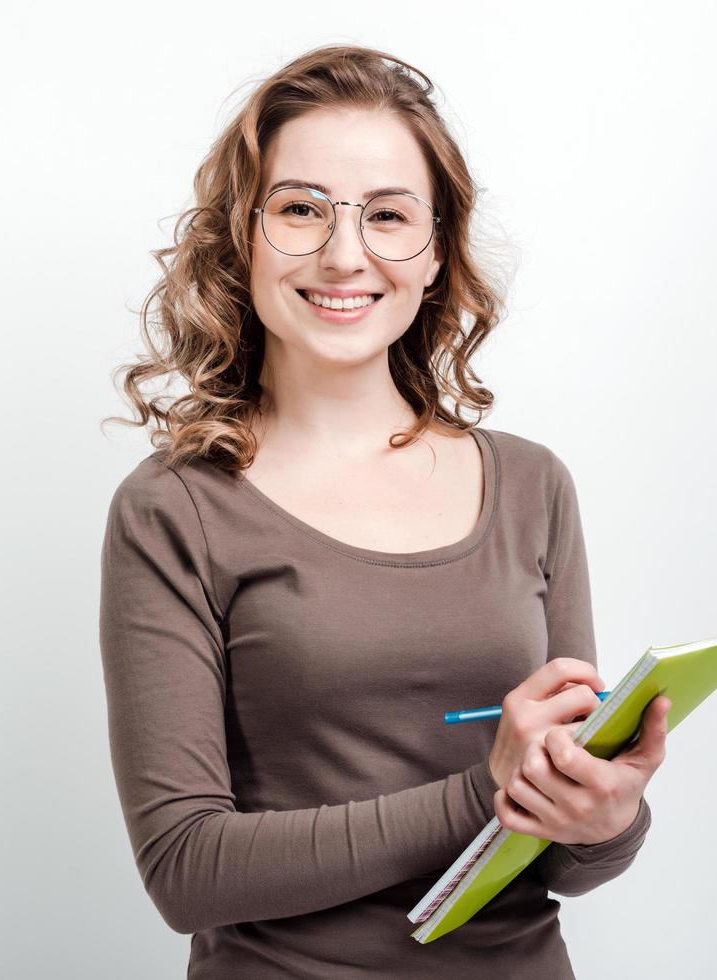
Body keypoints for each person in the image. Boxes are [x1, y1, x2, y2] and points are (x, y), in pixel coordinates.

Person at [98, 44, 671, 979]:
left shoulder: (533, 486)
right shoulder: (176, 509)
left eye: (388, 216)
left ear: (435, 251)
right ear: (242, 239)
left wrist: (608, 817)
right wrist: (487, 786)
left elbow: (569, 862)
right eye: (299, 210)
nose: (343, 254)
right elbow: (184, 871)